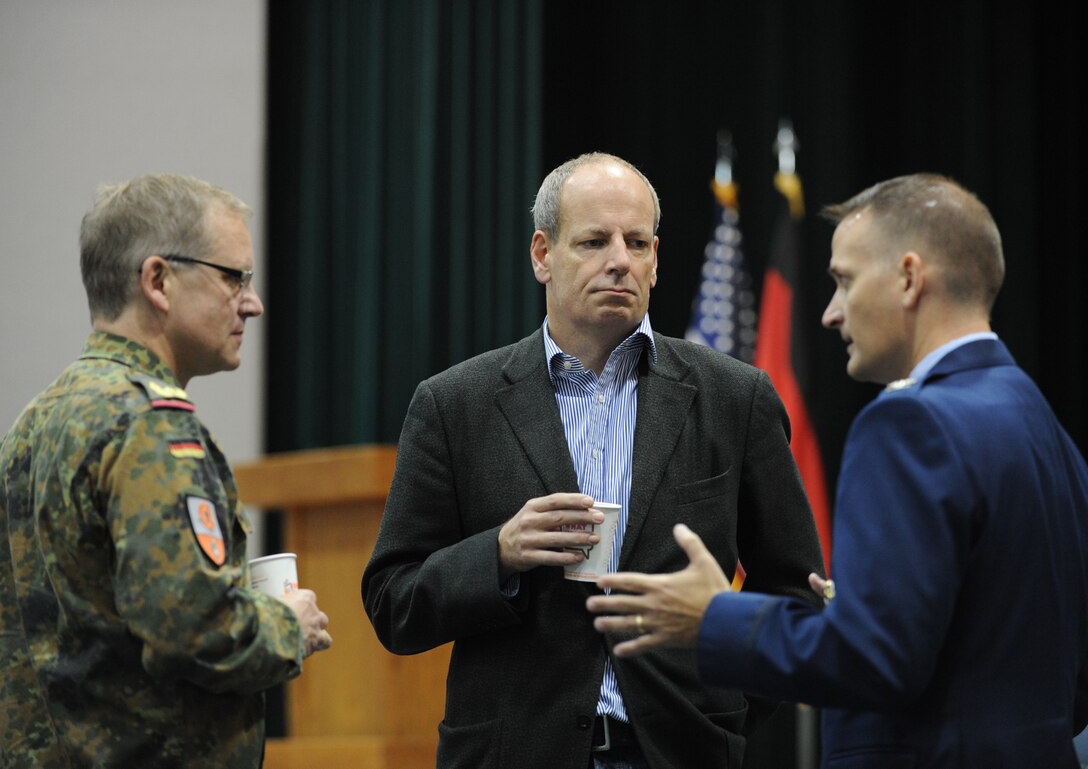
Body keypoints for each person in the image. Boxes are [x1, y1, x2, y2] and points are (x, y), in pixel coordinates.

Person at [588, 173, 1088, 768]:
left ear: (908, 278)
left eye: (844, 282)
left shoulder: (909, 425)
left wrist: (716, 617)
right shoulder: (1043, 425)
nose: (829, 314)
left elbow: (876, 661)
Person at [362, 152, 824, 769]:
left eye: (637, 243)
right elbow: (393, 601)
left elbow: (796, 591)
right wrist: (498, 553)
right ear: (542, 254)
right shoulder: (455, 404)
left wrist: (727, 714)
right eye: (594, 241)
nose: (619, 261)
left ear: (656, 259)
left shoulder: (734, 398)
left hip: (680, 752)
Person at [0, 173, 333, 768]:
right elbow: (194, 630)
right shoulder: (149, 425)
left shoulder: (37, 420)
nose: (251, 302)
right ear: (158, 280)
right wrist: (287, 625)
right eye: (234, 277)